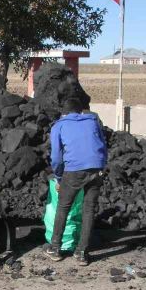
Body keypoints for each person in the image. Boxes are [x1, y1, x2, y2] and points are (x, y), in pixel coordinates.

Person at [43, 96, 107, 266]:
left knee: (63, 207)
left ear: (64, 113)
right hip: (96, 167)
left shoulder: (60, 125)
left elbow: (56, 157)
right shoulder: (93, 121)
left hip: (74, 170)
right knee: (88, 210)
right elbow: (103, 145)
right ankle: (82, 253)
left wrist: (58, 177)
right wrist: (102, 166)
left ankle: (55, 248)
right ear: (81, 111)